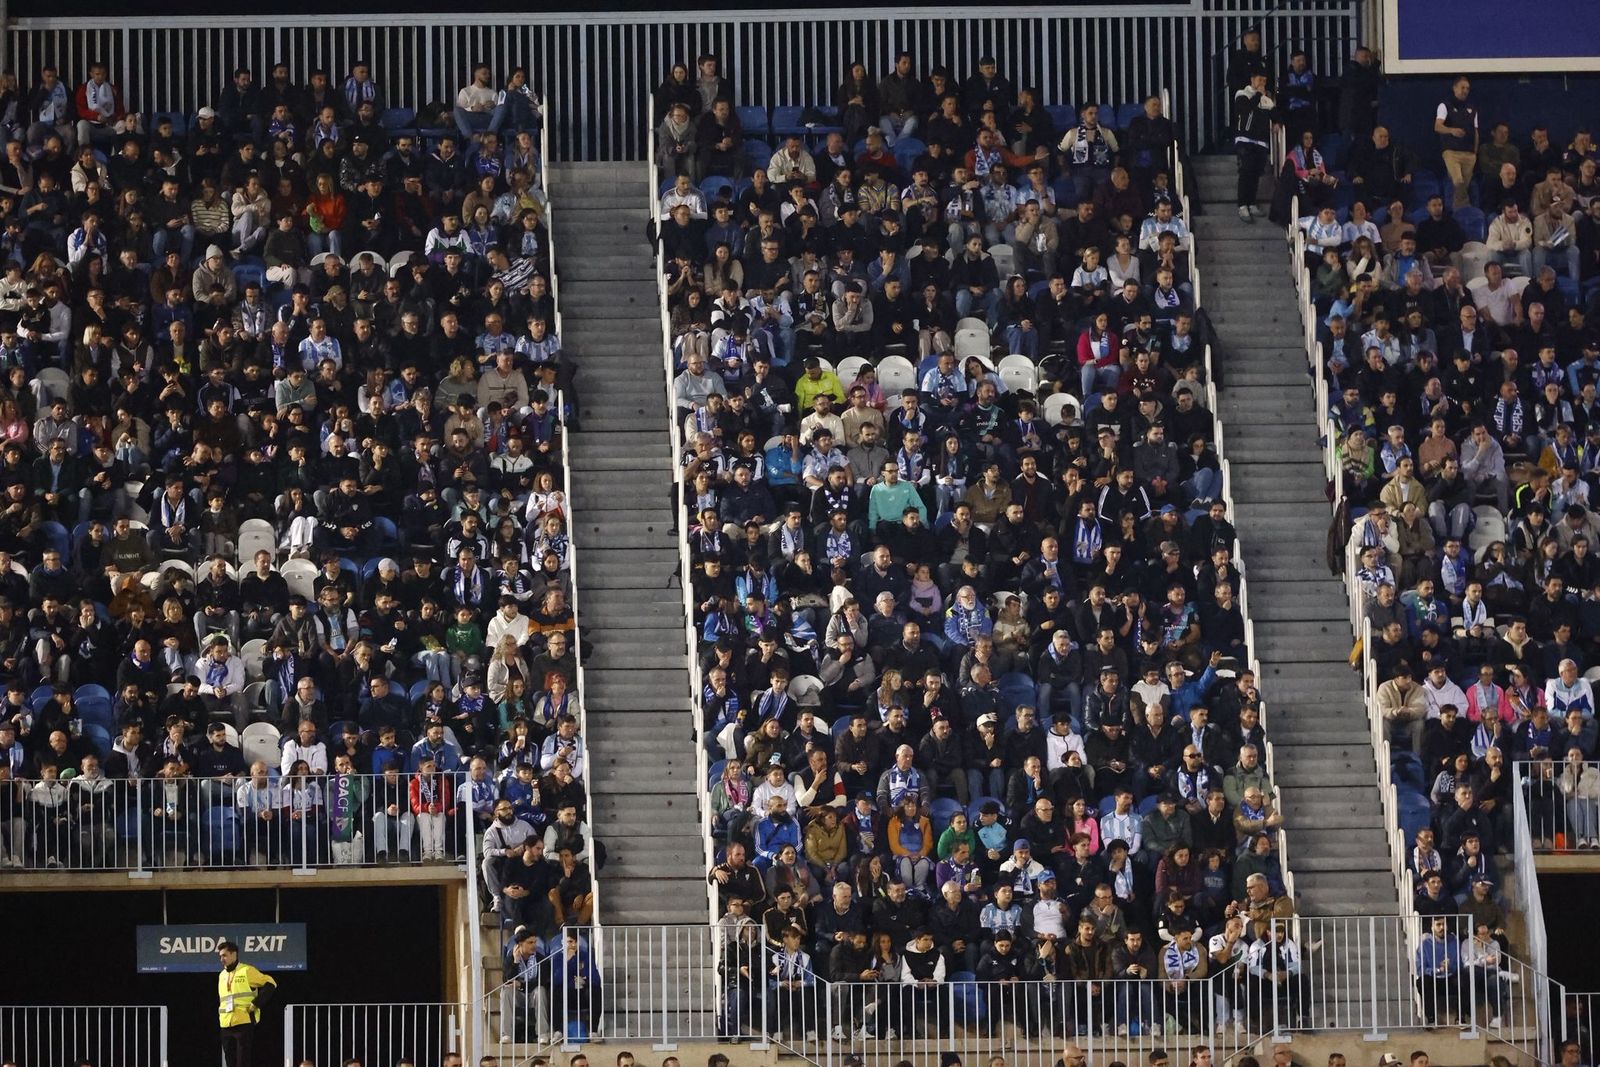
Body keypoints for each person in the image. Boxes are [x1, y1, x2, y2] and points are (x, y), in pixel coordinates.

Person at [217, 939, 276, 1067]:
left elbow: (271, 983)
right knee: (229, 1062)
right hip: (225, 1024)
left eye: (224, 955)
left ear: (234, 954)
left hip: (243, 1022)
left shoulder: (247, 970)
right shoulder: (221, 975)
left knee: (243, 1061)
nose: (221, 959)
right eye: (220, 956)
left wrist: (256, 1003)